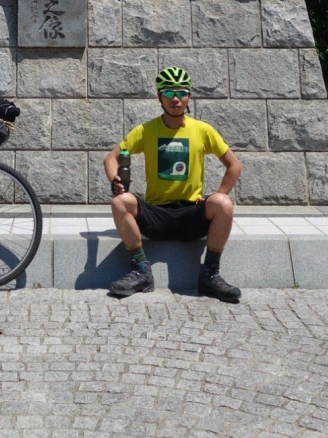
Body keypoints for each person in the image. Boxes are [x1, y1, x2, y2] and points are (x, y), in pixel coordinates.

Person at [104, 66, 242, 302]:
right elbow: (111, 157)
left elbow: (234, 165)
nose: (175, 99)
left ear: (189, 96)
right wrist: (115, 179)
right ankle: (141, 270)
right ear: (159, 97)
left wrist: (217, 194)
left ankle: (210, 273)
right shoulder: (146, 130)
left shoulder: (202, 130)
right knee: (120, 202)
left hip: (191, 213)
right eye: (168, 93)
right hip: (156, 214)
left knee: (224, 203)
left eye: (181, 92)